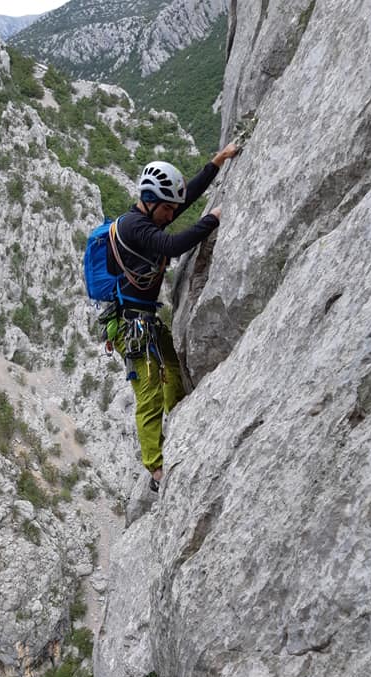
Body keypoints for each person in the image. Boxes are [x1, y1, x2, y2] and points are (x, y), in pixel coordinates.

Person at [105, 143, 240, 491]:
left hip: (146, 320)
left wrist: (217, 162)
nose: (172, 214)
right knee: (148, 393)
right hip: (131, 327)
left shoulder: (151, 215)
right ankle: (155, 468)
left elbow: (184, 200)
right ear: (151, 203)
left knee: (173, 372)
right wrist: (214, 219)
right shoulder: (135, 227)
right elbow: (174, 246)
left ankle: (179, 421)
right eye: (167, 208)